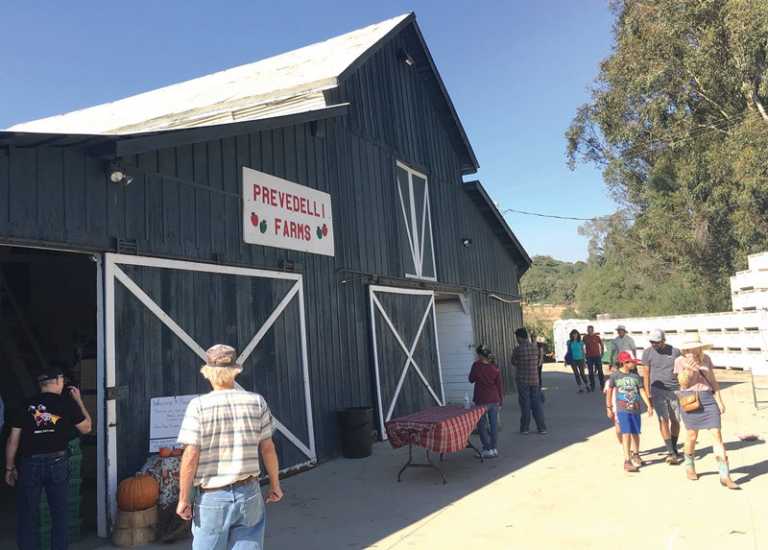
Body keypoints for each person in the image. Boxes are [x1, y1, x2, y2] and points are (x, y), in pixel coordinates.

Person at [176, 344, 284, 549]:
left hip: (212, 497)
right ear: (236, 370)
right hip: (249, 493)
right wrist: (275, 485)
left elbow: (190, 456)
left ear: (207, 373)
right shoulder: (256, 402)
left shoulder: (198, 407)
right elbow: (268, 448)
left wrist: (184, 498)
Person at [5, 367, 92, 550]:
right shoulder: (66, 404)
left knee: (28, 516)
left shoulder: (24, 404)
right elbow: (87, 428)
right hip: (58, 464)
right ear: (59, 381)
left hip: (30, 464)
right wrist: (78, 401)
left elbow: (13, 440)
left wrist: (9, 468)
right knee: (59, 515)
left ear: (41, 384)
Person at [674, 338, 739, 489]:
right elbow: (682, 384)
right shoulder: (679, 361)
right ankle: (689, 466)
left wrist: (720, 401)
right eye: (689, 349)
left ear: (700, 348)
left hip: (708, 399)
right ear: (685, 350)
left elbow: (713, 381)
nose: (692, 352)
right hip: (689, 399)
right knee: (691, 436)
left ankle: (725, 475)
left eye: (695, 348)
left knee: (717, 435)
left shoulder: (706, 359)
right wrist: (689, 370)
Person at [641, 329, 683, 465]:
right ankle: (671, 451)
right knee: (663, 420)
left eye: (656, 342)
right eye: (652, 342)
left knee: (675, 420)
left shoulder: (675, 352)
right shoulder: (647, 353)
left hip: (674, 390)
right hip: (657, 391)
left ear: (663, 340)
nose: (654, 344)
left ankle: (674, 446)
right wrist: (648, 394)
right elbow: (646, 374)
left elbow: (682, 371)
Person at [606, 352, 653, 472]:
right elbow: (609, 391)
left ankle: (636, 453)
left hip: (636, 409)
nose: (634, 364)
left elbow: (641, 391)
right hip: (622, 409)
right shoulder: (615, 376)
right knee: (626, 433)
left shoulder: (636, 377)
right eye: (631, 362)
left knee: (636, 433)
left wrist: (648, 405)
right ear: (624, 362)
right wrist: (609, 407)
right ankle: (627, 460)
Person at [469, 345, 503, 458]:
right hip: (494, 399)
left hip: (481, 399)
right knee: (493, 425)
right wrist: (501, 401)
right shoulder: (494, 367)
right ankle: (494, 448)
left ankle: (486, 448)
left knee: (481, 425)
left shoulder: (476, 366)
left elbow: (471, 379)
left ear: (479, 355)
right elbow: (499, 385)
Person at [511, 328, 547, 435]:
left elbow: (513, 361)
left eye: (517, 337)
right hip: (534, 379)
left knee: (525, 404)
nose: (516, 339)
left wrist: (520, 363)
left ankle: (525, 428)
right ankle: (542, 428)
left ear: (519, 337)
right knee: (536, 404)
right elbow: (538, 362)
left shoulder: (517, 349)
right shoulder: (535, 348)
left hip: (522, 380)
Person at [582, 326, 605, 392]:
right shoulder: (585, 337)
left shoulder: (597, 337)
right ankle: (592, 386)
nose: (590, 331)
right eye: (588, 330)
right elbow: (582, 345)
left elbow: (601, 344)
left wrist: (602, 353)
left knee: (600, 371)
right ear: (587, 330)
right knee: (590, 372)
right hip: (589, 357)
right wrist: (584, 354)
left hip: (597, 356)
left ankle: (602, 385)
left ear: (593, 330)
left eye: (591, 330)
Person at [535, 336, 547, 402]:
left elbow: (541, 356)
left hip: (538, 365)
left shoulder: (540, 347)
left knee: (538, 379)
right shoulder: (534, 346)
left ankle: (541, 397)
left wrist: (539, 364)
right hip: (536, 365)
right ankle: (540, 397)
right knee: (537, 380)